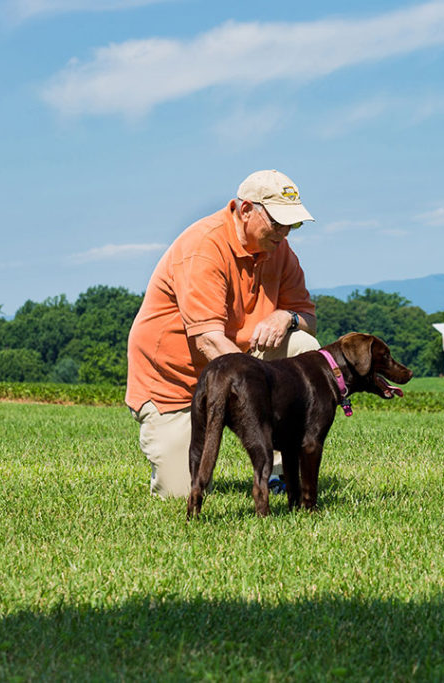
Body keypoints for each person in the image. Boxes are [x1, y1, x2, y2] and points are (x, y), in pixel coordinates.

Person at [125, 169, 320, 499]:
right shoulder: (204, 247)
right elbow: (209, 340)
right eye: (277, 222)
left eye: (293, 224)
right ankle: (168, 451)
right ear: (246, 210)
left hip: (240, 363)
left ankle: (276, 469)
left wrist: (286, 317)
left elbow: (309, 321)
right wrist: (253, 394)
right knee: (180, 493)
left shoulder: (280, 250)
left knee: (303, 346)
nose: (285, 232)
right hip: (175, 387)